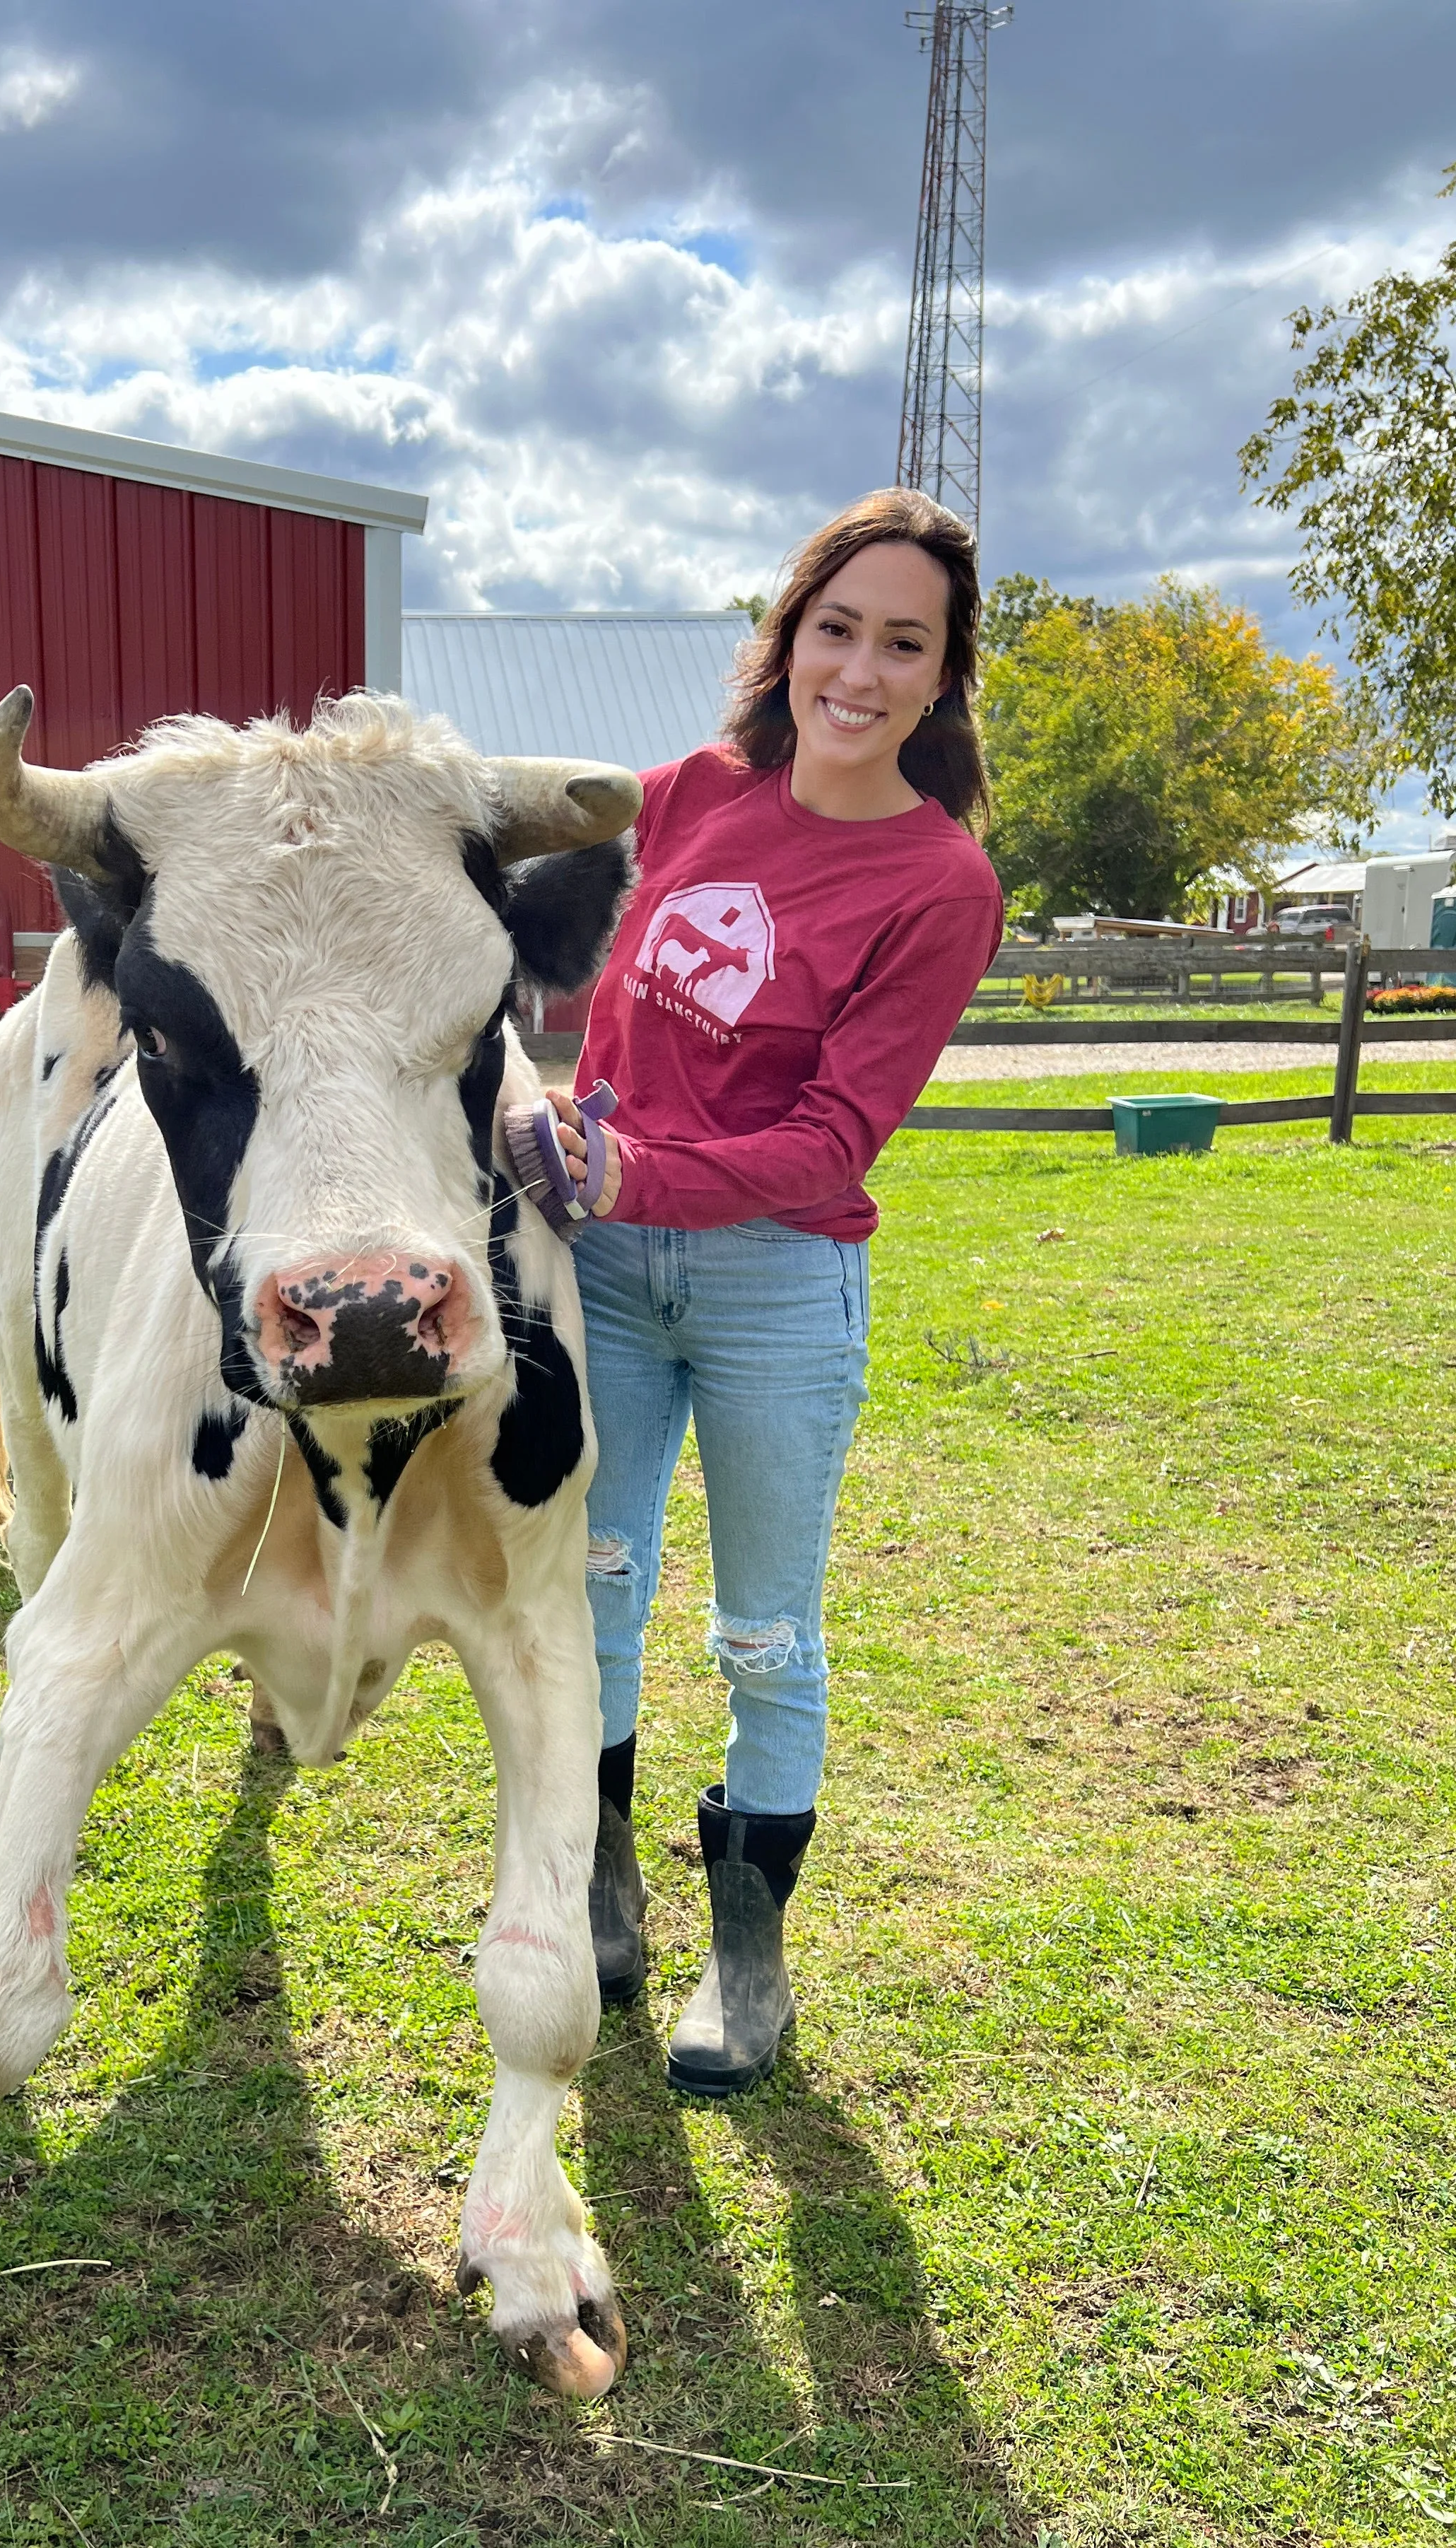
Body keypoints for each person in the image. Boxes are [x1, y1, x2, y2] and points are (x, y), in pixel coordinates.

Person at [514, 487, 1004, 2098]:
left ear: (942, 678)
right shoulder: (686, 797)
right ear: (790, 636)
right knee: (591, 1585)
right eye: (836, 626)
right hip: (604, 1259)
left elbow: (833, 1138)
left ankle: (750, 1954)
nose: (857, 669)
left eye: (902, 642)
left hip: (776, 1285)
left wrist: (636, 1174)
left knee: (766, 1633)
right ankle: (598, 1881)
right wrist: (533, 1097)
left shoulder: (939, 885)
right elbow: (517, 933)